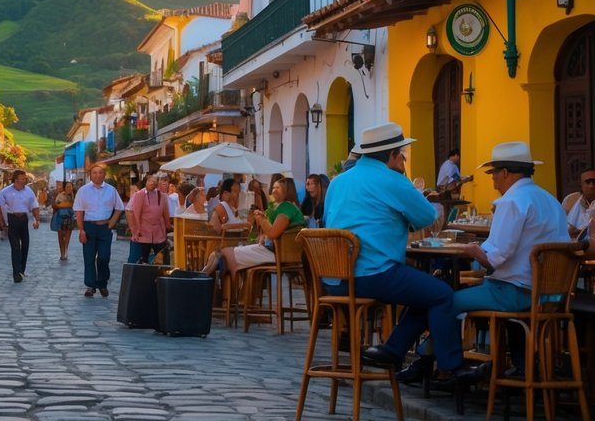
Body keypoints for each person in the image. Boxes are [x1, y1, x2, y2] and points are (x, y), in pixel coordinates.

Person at [325, 122, 483, 390]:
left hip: (335, 277)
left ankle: (394, 350)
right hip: (373, 274)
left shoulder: (338, 182)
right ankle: (451, 368)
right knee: (442, 293)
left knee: (428, 293)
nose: (404, 159)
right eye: (402, 155)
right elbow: (426, 216)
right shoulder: (391, 179)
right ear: (393, 156)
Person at [400, 142, 571, 384]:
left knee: (444, 301)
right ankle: (428, 361)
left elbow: (495, 258)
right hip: (549, 294)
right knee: (453, 297)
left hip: (514, 292)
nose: (493, 182)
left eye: (493, 175)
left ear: (505, 173)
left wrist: (471, 249)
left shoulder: (512, 202)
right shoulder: (550, 200)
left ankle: (440, 366)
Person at [205, 177, 303, 277]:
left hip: (278, 254)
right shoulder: (285, 207)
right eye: (273, 187)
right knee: (223, 255)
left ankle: (229, 288)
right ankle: (207, 279)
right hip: (278, 252)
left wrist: (260, 219)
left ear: (287, 190)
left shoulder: (286, 208)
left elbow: (273, 233)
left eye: (277, 188)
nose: (273, 191)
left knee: (225, 253)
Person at [73, 164, 125, 298]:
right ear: (90, 175)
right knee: (89, 257)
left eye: (100, 172)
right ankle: (91, 285)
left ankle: (102, 283)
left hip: (104, 228)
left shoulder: (111, 190)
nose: (97, 175)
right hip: (89, 226)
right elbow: (79, 211)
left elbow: (119, 208)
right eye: (94, 173)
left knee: (104, 256)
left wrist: (110, 223)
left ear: (104, 175)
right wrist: (81, 230)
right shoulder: (83, 191)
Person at [0, 169, 40, 282]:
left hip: (24, 219)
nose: (24, 180)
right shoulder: (5, 191)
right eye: (22, 178)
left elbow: (34, 205)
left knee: (25, 245)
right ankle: (16, 273)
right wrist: (2, 222)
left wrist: (37, 220)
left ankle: (21, 269)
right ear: (16, 180)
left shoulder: (29, 191)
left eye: (24, 178)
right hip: (12, 219)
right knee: (15, 247)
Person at [126, 174, 169, 265]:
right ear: (146, 182)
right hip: (142, 231)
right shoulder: (138, 195)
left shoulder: (162, 196)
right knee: (141, 260)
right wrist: (133, 228)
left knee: (162, 258)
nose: (152, 183)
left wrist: (167, 226)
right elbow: (129, 211)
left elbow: (165, 213)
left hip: (158, 232)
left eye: (154, 181)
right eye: (150, 181)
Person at [49, 180, 76, 260]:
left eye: (70, 187)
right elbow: (55, 205)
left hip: (70, 217)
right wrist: (64, 206)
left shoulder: (74, 196)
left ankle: (65, 252)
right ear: (65, 188)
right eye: (67, 187)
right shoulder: (60, 195)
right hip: (60, 217)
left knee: (68, 236)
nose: (69, 188)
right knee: (61, 236)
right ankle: (62, 253)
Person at [566, 167, 595, 238]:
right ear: (581, 184)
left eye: (594, 182)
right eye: (588, 182)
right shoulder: (570, 200)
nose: (591, 186)